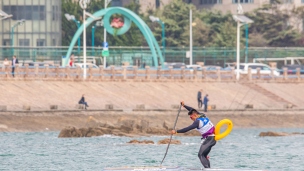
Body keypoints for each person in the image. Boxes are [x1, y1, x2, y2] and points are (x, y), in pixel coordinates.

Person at [170, 101, 216, 168]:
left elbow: (187, 129)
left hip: (209, 139)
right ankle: (209, 169)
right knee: (204, 155)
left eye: (191, 117)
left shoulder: (197, 122)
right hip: (213, 139)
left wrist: (176, 131)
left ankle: (207, 169)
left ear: (195, 115)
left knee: (200, 155)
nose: (191, 119)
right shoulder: (203, 115)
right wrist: (184, 105)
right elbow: (192, 109)